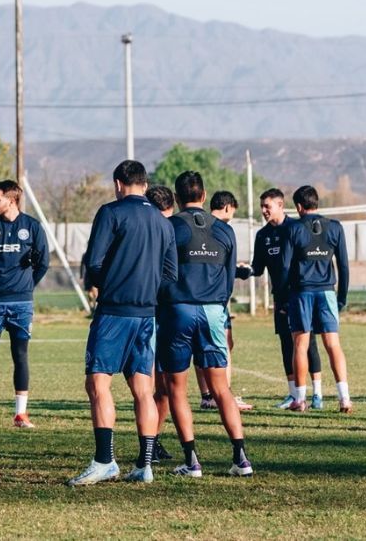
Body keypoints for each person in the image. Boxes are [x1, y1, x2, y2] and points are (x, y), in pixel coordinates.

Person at [68, 160, 176, 486]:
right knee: (144, 390)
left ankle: (105, 460)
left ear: (118, 183)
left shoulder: (111, 213)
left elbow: (95, 261)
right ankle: (145, 466)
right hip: (147, 314)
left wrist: (109, 282)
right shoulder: (163, 222)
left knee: (98, 383)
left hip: (115, 311)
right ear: (145, 184)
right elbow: (171, 275)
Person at [158, 172, 253, 478]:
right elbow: (228, 281)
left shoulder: (170, 227)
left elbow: (162, 273)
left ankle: (192, 461)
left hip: (179, 310)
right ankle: (241, 459)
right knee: (220, 387)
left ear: (177, 195)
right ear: (204, 194)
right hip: (214, 311)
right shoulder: (225, 231)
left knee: (177, 387)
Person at [236, 189, 327, 409]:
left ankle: (317, 394)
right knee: (287, 343)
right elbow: (257, 268)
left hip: (300, 295)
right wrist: (241, 270)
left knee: (308, 343)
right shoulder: (262, 235)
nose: (264, 211)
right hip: (280, 298)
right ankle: (293, 393)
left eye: (268, 206)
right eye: (262, 207)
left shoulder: (296, 228)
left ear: (280, 205)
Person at [0, 180, 50, 429]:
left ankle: (21, 414)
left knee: (20, 355)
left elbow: (43, 263)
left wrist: (25, 285)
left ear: (12, 200)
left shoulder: (32, 226)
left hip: (21, 303)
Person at [281, 186, 353, 413]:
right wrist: (341, 297)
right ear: (316, 203)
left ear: (299, 207)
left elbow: (284, 266)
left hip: (301, 293)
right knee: (333, 344)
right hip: (327, 292)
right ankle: (344, 398)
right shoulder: (335, 227)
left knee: (300, 345)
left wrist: (283, 298)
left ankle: (300, 400)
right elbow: (343, 265)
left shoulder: (293, 228)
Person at [207, 191, 253, 412]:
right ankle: (224, 395)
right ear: (227, 207)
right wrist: (242, 272)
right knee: (223, 345)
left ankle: (208, 396)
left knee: (205, 348)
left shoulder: (197, 225)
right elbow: (225, 267)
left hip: (190, 300)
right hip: (215, 301)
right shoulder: (223, 230)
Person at [144, 184, 176, 464]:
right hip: (152, 315)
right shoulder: (155, 231)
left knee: (162, 386)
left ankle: (152, 442)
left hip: (165, 314)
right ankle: (149, 443)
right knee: (151, 384)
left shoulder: (171, 229)